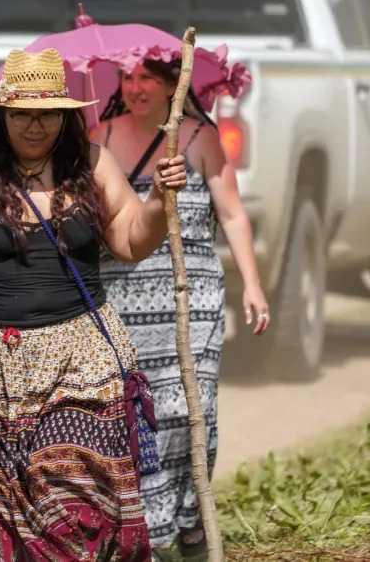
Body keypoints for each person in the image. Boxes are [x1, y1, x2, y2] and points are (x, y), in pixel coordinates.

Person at [0, 48, 189, 561]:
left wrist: (158, 198)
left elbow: (132, 241)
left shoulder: (93, 164)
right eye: (22, 113)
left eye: (47, 113)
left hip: (82, 356)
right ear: (1, 117)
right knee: (5, 507)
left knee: (73, 487)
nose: (35, 126)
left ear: (66, 116)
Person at [90, 60, 269, 557]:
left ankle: (189, 518)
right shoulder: (97, 136)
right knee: (135, 412)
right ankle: (141, 525)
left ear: (174, 85)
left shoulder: (200, 138)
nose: (135, 87)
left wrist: (251, 285)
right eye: (127, 78)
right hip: (120, 294)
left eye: (148, 78)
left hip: (192, 294)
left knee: (192, 408)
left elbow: (231, 214)